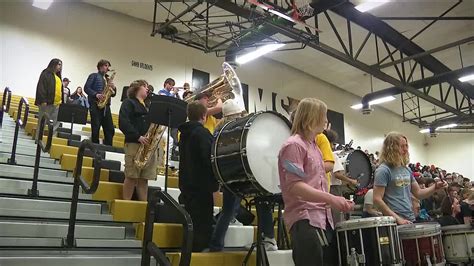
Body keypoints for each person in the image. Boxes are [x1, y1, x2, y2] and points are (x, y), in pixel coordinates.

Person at [278, 98, 354, 266]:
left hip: (321, 217)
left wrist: (328, 200)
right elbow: (295, 185)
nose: (326, 121)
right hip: (304, 218)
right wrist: (331, 198)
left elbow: (310, 181)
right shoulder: (293, 146)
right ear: (311, 117)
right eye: (323, 115)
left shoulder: (314, 147)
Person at [209, 99, 277, 252]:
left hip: (228, 176)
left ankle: (215, 244)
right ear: (238, 114)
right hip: (245, 174)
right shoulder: (240, 130)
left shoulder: (218, 131)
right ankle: (268, 238)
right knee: (260, 201)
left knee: (228, 210)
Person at [373, 132, 447, 225]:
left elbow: (419, 193)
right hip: (392, 222)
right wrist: (397, 219)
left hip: (409, 218)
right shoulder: (383, 170)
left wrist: (435, 187)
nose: (405, 149)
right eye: (401, 146)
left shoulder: (406, 169)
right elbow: (377, 199)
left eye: (406, 146)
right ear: (391, 148)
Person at [178, 101, 218, 252]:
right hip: (201, 187)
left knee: (191, 223)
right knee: (202, 223)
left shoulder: (184, 133)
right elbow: (209, 159)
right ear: (204, 115)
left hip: (187, 184)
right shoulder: (202, 133)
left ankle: (189, 251)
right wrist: (215, 182)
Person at [119, 80, 157, 201]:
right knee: (131, 176)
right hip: (134, 143)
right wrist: (138, 136)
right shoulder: (128, 102)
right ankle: (126, 204)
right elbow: (123, 122)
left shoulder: (147, 105)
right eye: (145, 86)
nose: (148, 89)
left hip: (146, 145)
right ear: (137, 88)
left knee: (143, 178)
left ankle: (142, 206)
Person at [325, 129, 357, 223]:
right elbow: (337, 174)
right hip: (334, 189)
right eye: (333, 143)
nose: (333, 146)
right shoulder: (332, 155)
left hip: (325, 188)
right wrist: (351, 181)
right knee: (335, 217)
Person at [84, 59, 116, 145]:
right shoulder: (93, 75)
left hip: (106, 106)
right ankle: (94, 148)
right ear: (100, 66)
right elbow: (86, 88)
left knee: (110, 129)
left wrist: (113, 87)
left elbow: (113, 94)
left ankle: (108, 148)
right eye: (106, 66)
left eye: (108, 66)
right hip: (95, 104)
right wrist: (96, 95)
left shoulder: (108, 79)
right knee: (96, 128)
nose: (108, 68)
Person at [34, 58, 63, 141]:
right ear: (53, 64)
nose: (60, 67)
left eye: (61, 65)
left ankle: (51, 140)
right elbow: (41, 87)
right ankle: (38, 139)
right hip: (46, 103)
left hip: (57, 104)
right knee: (42, 122)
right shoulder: (45, 73)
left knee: (55, 123)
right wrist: (43, 100)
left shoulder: (58, 77)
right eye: (58, 64)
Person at [158, 78, 179, 160]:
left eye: (172, 85)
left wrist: (176, 94)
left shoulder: (171, 94)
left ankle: (167, 160)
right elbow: (166, 101)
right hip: (161, 121)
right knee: (168, 141)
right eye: (170, 84)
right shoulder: (161, 92)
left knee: (169, 140)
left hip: (167, 121)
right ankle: (166, 161)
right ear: (165, 84)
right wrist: (174, 93)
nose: (171, 87)